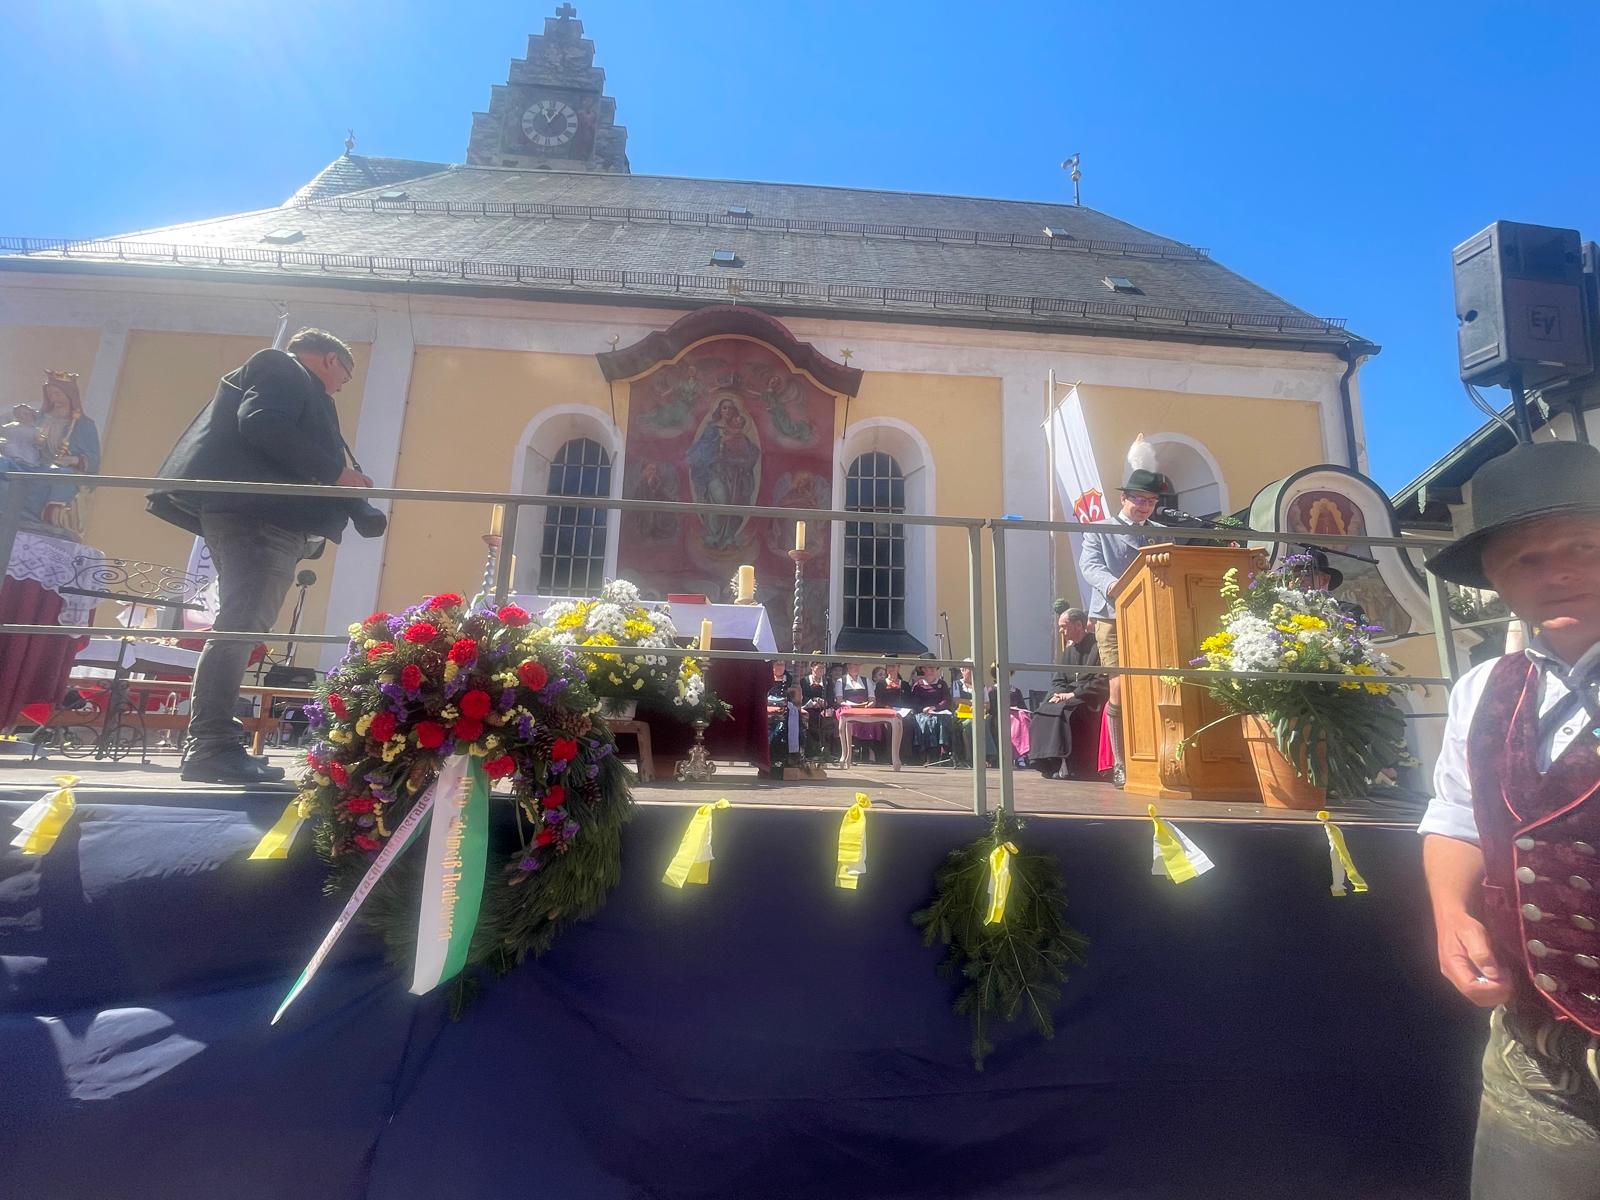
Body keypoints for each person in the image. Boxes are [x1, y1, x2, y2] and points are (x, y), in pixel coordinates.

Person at [1417, 439, 1600, 1198]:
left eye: (1583, 546)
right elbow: (1458, 813)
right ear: (1495, 578)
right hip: (1536, 1061)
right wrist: (1449, 913)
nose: (1557, 571)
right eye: (1526, 558)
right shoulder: (1483, 688)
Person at [147, 329, 383, 785]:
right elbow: (261, 423)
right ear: (330, 360)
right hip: (257, 518)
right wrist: (337, 473)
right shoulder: (281, 366)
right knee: (239, 628)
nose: (340, 389)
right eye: (344, 378)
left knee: (242, 626)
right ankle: (210, 746)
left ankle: (216, 741)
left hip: (258, 519)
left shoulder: (292, 379)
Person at [1079, 467, 1168, 788]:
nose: (1145, 507)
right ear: (1124, 499)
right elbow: (1090, 566)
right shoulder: (1100, 529)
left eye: (1151, 501)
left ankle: (1158, 755)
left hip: (1153, 615)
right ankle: (1120, 762)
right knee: (1119, 685)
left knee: (1159, 684)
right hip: (1112, 615)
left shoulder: (1162, 533)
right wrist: (1115, 586)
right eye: (1139, 500)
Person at [1029, 607, 1109, 780]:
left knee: (1065, 711)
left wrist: (1074, 694)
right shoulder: (1068, 651)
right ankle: (1048, 763)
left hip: (1089, 698)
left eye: (1063, 626)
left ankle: (1069, 765)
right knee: (1043, 709)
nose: (1060, 631)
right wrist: (1056, 695)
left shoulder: (1098, 647)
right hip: (1068, 696)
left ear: (1079, 625)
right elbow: (1059, 680)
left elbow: (1102, 681)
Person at [908, 659, 955, 762]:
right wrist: (923, 709)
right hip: (923, 713)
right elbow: (914, 702)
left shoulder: (942, 684)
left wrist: (935, 708)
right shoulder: (918, 685)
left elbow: (946, 701)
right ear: (923, 669)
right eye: (930, 667)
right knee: (927, 721)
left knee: (940, 720)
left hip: (939, 713)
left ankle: (942, 753)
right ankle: (927, 754)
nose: (933, 669)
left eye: (934, 667)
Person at [836, 661, 882, 763]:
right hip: (847, 707)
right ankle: (851, 750)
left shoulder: (866, 681)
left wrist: (867, 706)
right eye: (854, 665)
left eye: (858, 665)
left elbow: (872, 699)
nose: (856, 667)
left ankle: (868, 750)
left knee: (870, 719)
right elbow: (839, 699)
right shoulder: (841, 681)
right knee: (850, 719)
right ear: (848, 666)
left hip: (864, 707)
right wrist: (849, 705)